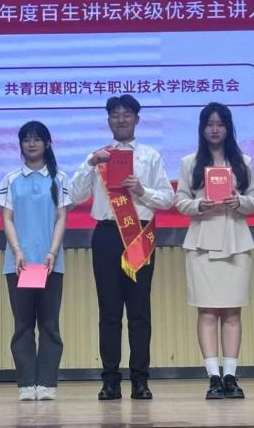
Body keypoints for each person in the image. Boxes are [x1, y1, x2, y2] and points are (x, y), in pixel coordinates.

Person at [68, 94, 174, 401]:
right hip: (106, 235)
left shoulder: (150, 156)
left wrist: (142, 190)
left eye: (127, 114)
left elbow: (168, 199)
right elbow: (74, 195)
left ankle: (140, 380)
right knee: (109, 311)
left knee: (139, 311)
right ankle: (110, 381)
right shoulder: (98, 157)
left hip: (138, 235)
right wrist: (90, 164)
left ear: (137, 119)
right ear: (108, 121)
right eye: (115, 114)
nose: (121, 119)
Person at [175, 102, 254, 400]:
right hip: (202, 243)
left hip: (236, 242)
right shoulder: (189, 163)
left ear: (228, 128)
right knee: (208, 311)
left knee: (233, 311)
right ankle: (213, 376)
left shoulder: (243, 162)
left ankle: (231, 377)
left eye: (220, 124)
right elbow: (180, 201)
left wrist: (240, 202)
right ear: (202, 128)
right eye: (209, 124)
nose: (214, 129)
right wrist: (199, 205)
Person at [0, 121, 71, 402]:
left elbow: (62, 217)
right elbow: (7, 218)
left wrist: (52, 252)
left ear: (47, 143)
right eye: (26, 139)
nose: (31, 144)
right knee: (23, 324)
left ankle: (47, 383)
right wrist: (17, 251)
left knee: (49, 324)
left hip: (51, 263)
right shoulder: (11, 178)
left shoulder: (59, 178)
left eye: (37, 139)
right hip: (19, 264)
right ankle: (26, 383)